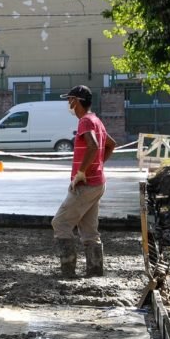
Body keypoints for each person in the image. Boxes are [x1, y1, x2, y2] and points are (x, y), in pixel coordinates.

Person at [52, 85, 116, 277]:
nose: (68, 104)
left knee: (61, 223)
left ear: (77, 101)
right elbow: (111, 144)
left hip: (85, 185)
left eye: (70, 99)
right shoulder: (96, 120)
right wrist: (98, 165)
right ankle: (95, 271)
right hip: (98, 183)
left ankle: (68, 270)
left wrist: (81, 172)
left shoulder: (85, 122)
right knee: (89, 231)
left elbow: (94, 145)